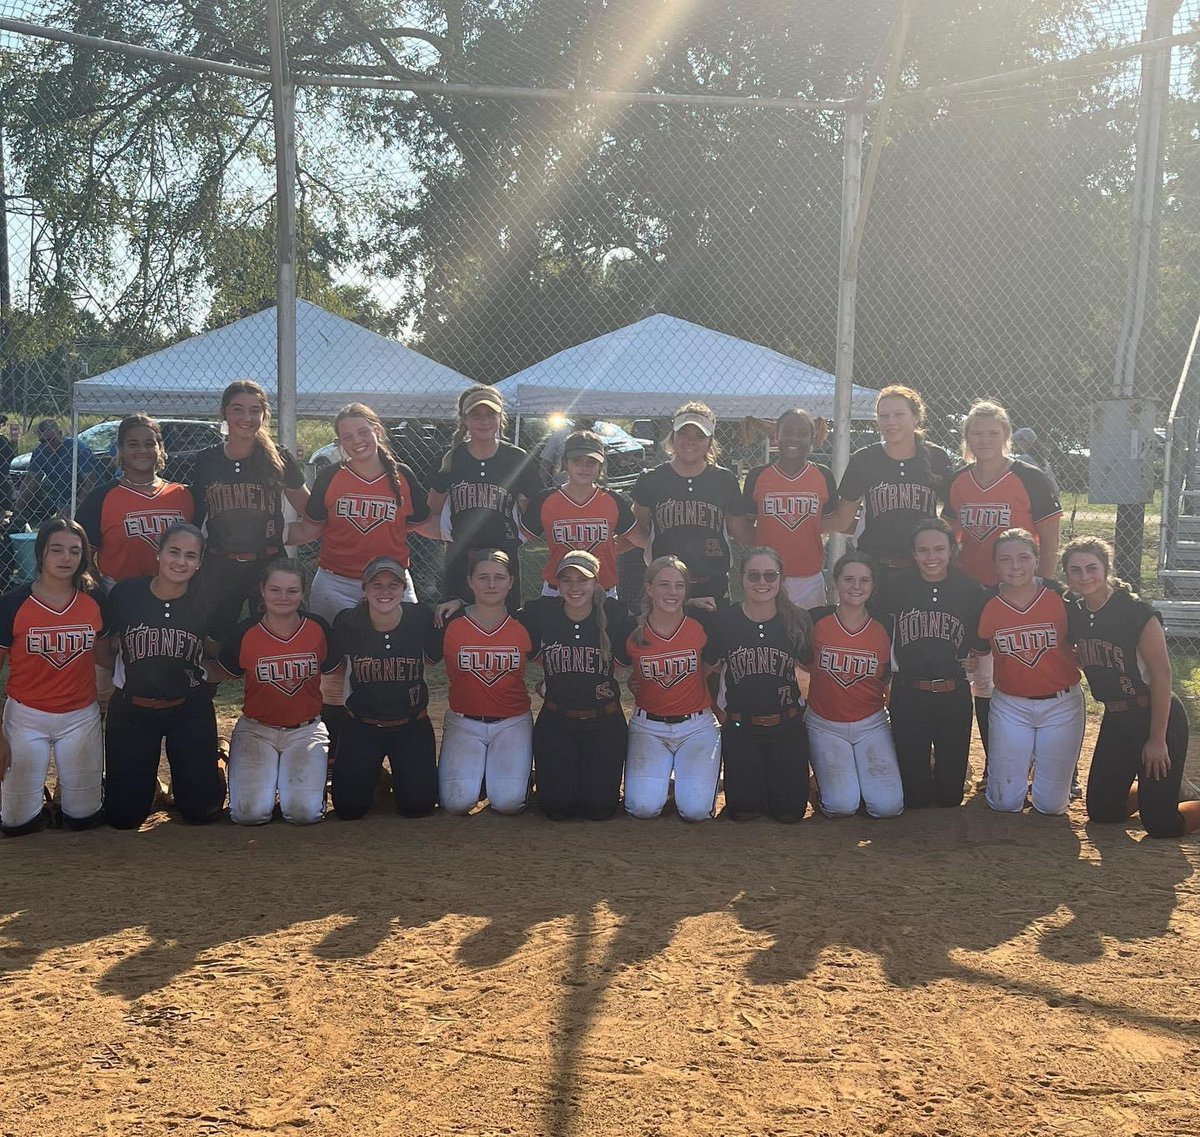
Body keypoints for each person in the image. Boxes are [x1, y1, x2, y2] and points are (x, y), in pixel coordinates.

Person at [283, 402, 434, 759]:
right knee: (333, 672)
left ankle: (402, 746)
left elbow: (426, 524)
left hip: (390, 585)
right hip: (337, 582)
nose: (356, 441)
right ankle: (336, 752)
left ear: (377, 431)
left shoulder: (401, 475)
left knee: (402, 664)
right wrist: (264, 533)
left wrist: (475, 531)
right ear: (338, 443)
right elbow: (309, 530)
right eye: (346, 436)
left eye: (363, 432)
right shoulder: (331, 476)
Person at [946, 399, 1064, 786]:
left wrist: (1043, 586)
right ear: (966, 437)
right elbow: (950, 536)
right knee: (983, 679)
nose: (984, 440)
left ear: (1006, 436)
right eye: (976, 433)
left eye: (992, 433)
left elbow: (1049, 536)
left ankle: (1048, 765)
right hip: (975, 592)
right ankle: (997, 763)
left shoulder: (1028, 476)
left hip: (1019, 589)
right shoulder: (959, 480)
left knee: (1027, 670)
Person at [1063, 536, 1200, 837]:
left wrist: (1157, 740)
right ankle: (1167, 789)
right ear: (1067, 575)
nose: (1084, 577)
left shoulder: (1135, 612)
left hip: (1155, 714)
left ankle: (1167, 796)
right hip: (1117, 718)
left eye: (1091, 568)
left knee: (1161, 824)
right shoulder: (1076, 612)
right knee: (1103, 812)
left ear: (1106, 568)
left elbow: (1162, 676)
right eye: (1075, 570)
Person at [102, 523, 225, 829]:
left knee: (200, 812)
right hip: (133, 710)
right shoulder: (127, 593)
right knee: (123, 818)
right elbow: (103, 648)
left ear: (199, 563)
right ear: (158, 553)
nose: (181, 561)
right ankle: (148, 787)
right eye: (174, 552)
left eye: (190, 556)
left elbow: (216, 651)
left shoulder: (206, 599)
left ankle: (215, 761)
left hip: (188, 709)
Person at [0, 518, 109, 835]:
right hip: (26, 715)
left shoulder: (94, 599)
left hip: (80, 715)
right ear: (41, 553)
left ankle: (67, 800)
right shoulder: (12, 604)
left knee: (83, 818)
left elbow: (105, 656)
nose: (66, 558)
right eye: (56, 549)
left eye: (75, 551)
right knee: (16, 823)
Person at [211, 559, 337, 826]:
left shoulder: (317, 628)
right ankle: (225, 761)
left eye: (292, 591)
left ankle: (301, 789)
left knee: (303, 814)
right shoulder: (246, 631)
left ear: (303, 593)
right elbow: (224, 670)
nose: (283, 597)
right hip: (256, 730)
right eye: (275, 589)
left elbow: (337, 669)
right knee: (248, 814)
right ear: (262, 590)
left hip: (306, 731)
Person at [190, 380, 309, 643]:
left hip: (267, 563)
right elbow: (196, 518)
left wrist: (285, 534)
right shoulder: (206, 459)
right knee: (211, 641)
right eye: (238, 409)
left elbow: (309, 510)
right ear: (223, 412)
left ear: (264, 414)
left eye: (255, 410)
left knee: (276, 638)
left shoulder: (279, 457)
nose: (246, 417)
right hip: (219, 564)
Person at [976, 528, 1084, 816]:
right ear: (995, 565)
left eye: (1024, 557)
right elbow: (975, 650)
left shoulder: (1061, 596)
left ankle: (1044, 768)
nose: (1015, 566)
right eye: (1005, 559)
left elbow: (1085, 642)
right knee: (1004, 803)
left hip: (1061, 704)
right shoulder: (984, 602)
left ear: (1037, 560)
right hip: (1011, 705)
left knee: (1051, 806)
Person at [878, 519, 984, 808]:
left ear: (951, 550)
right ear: (913, 553)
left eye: (939, 549)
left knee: (950, 798)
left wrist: (974, 658)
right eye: (923, 550)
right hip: (909, 693)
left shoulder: (970, 590)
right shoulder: (895, 585)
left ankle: (947, 769)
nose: (931, 557)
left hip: (953, 693)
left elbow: (980, 639)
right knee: (915, 798)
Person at [520, 550, 633, 820]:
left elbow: (653, 620)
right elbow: (494, 611)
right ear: (556, 584)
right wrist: (458, 604)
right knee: (556, 808)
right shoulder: (542, 612)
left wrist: (691, 604)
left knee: (600, 809)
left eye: (583, 580)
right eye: (566, 580)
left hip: (604, 722)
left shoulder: (614, 614)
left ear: (596, 583)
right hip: (557, 722)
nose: (574, 587)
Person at [704, 547, 813, 821]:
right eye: (753, 575)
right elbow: (705, 670)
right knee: (744, 810)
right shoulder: (725, 620)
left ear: (781, 579)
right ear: (741, 578)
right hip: (742, 728)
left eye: (770, 575)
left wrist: (805, 711)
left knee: (789, 812)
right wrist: (718, 713)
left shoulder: (797, 620)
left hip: (787, 726)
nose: (762, 582)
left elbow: (809, 670)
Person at [328, 556, 441, 821]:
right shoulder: (348, 622)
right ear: (364, 588)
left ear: (404, 589)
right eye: (376, 584)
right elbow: (330, 667)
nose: (385, 591)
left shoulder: (420, 617)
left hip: (412, 725)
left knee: (418, 807)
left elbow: (439, 647)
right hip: (362, 726)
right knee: (349, 809)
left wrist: (456, 602)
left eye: (393, 585)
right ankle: (374, 776)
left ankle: (398, 778)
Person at [430, 549, 535, 814]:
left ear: (511, 582)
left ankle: (508, 777)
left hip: (512, 722)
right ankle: (485, 775)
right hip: (464, 722)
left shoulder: (526, 622)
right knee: (457, 803)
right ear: (470, 582)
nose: (491, 584)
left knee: (509, 804)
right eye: (483, 577)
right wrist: (459, 602)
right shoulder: (450, 621)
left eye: (499, 577)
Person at [805, 552, 904, 819]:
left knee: (887, 807)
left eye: (864, 580)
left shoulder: (886, 625)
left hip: (871, 722)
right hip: (824, 723)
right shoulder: (815, 620)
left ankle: (855, 783)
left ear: (874, 585)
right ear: (835, 581)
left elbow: (889, 679)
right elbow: (802, 665)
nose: (856, 586)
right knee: (841, 807)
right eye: (848, 579)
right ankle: (821, 786)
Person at [623, 555, 721, 821]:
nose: (672, 592)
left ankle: (681, 783)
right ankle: (664, 783)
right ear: (649, 589)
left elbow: (712, 667)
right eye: (664, 584)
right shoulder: (633, 630)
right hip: (648, 727)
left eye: (679, 585)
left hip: (696, 727)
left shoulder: (701, 624)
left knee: (695, 811)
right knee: (642, 808)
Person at [427, 386, 541, 610]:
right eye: (476, 415)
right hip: (460, 560)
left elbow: (536, 508)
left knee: (505, 619)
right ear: (464, 419)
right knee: (457, 619)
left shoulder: (515, 458)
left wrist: (520, 537)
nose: (484, 421)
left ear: (500, 417)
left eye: (491, 414)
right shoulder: (450, 458)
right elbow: (433, 509)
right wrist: (448, 537)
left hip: (503, 560)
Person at [630, 403, 753, 604]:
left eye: (700, 435)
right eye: (683, 433)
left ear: (710, 441)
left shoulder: (724, 480)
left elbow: (741, 531)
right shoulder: (651, 479)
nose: (690, 441)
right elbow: (636, 529)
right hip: (665, 585)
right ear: (673, 436)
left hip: (712, 584)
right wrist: (658, 548)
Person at [827, 386, 956, 573]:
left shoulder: (936, 457)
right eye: (884, 416)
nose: (891, 421)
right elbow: (842, 521)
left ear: (916, 417)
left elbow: (953, 517)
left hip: (923, 567)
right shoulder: (864, 459)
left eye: (899, 414)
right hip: (875, 565)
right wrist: (802, 527)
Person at [76, 415, 195, 590]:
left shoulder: (183, 494)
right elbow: (81, 556)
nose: (142, 450)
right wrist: (101, 594)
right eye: (133, 444)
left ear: (160, 448)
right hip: (120, 595)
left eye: (149, 444)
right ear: (120, 449)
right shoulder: (100, 497)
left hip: (177, 594)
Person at [522, 430, 640, 597]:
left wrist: (609, 549)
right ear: (565, 463)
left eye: (592, 462)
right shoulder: (546, 500)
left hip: (602, 591)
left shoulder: (612, 500)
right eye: (577, 461)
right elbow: (518, 539)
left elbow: (638, 538)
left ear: (600, 466)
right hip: (558, 590)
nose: (584, 468)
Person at [743, 408, 837, 608]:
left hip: (809, 577)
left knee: (808, 627)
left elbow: (829, 522)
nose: (794, 438)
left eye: (802, 433)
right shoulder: (757, 476)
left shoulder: (823, 475)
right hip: (767, 576)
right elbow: (744, 525)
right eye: (787, 432)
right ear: (776, 435)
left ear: (812, 439)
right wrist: (764, 545)